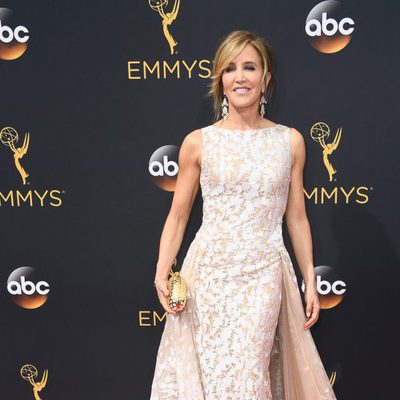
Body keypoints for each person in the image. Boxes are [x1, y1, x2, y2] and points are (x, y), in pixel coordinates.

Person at [150, 30, 337, 400]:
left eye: (250, 67)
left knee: (250, 375)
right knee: (211, 377)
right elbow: (178, 216)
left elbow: (296, 218)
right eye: (231, 68)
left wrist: (309, 279)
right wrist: (161, 271)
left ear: (265, 79)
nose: (240, 77)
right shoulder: (198, 142)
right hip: (208, 277)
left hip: (263, 273)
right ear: (220, 78)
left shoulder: (291, 141)